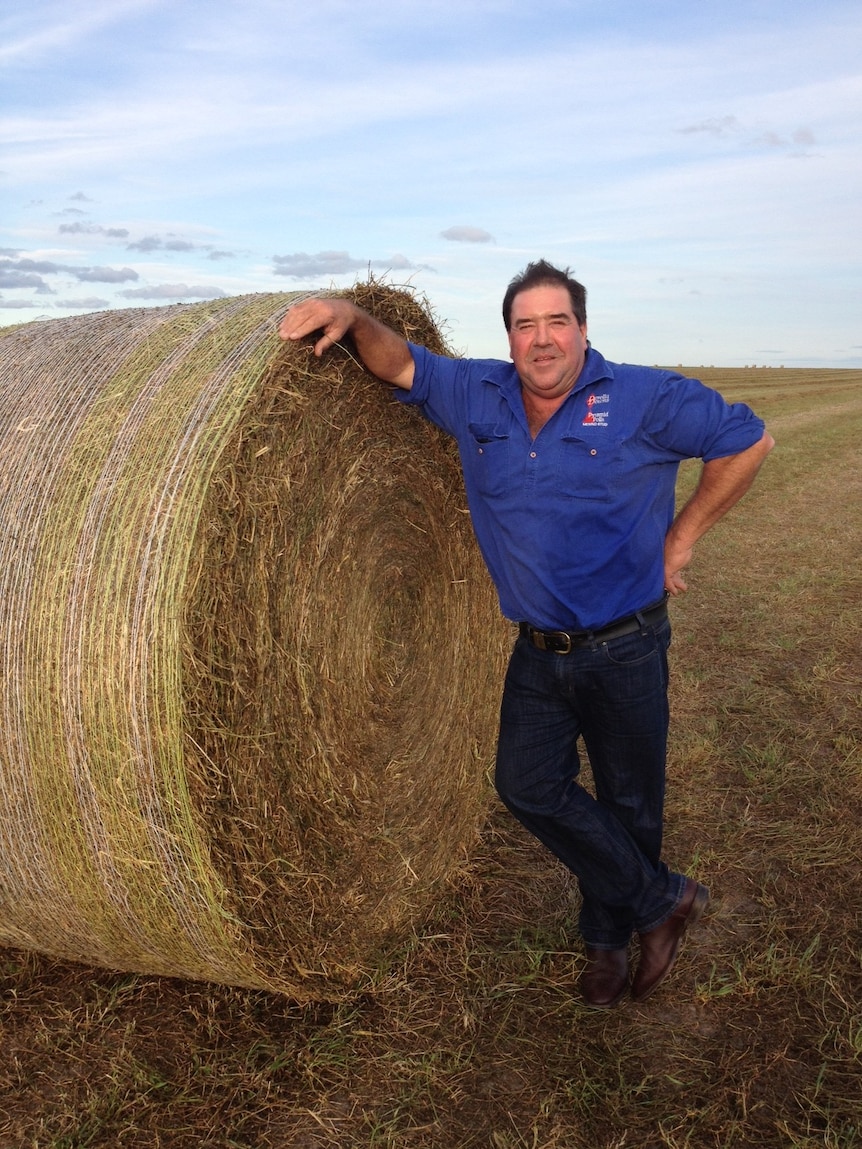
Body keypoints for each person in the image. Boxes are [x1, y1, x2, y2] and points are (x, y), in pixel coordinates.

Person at [279, 261, 774, 1009]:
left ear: (582, 328)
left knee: (629, 803)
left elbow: (749, 440)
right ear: (509, 336)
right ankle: (662, 900)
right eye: (525, 325)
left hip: (627, 644)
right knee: (526, 784)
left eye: (556, 322)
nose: (541, 339)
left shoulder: (644, 396)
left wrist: (683, 537)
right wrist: (352, 316)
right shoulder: (475, 392)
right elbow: (400, 360)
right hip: (538, 651)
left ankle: (607, 944)